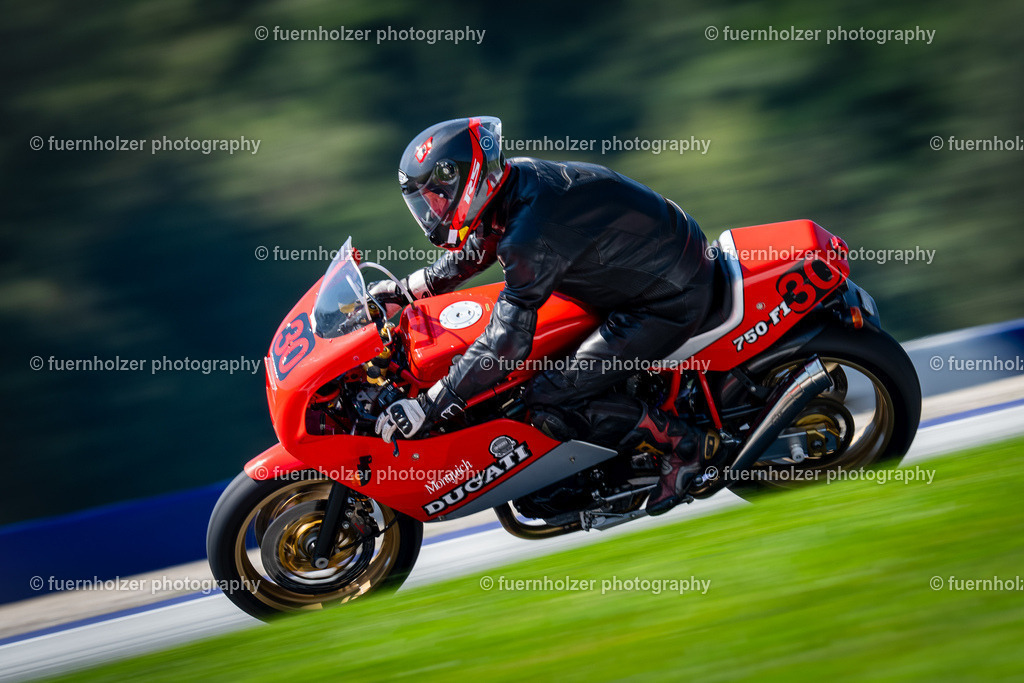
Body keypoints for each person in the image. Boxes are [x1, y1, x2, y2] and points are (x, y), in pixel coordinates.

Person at [372, 116, 722, 515]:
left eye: (437, 195)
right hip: (657, 264)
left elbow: (506, 345)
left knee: (548, 397)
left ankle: (683, 445)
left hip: (667, 298)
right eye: (424, 199)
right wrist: (408, 290)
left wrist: (433, 402)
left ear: (468, 182)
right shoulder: (515, 183)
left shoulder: (529, 235)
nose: (432, 208)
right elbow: (483, 241)